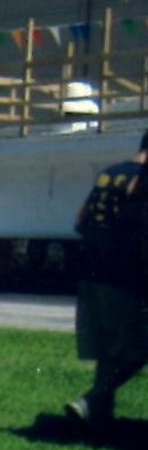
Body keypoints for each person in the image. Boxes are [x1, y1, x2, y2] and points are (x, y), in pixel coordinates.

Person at [66, 130, 148, 428]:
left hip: (91, 271)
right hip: (123, 274)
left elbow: (80, 221)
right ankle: (91, 399)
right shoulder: (141, 179)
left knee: (108, 349)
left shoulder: (108, 174)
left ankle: (99, 415)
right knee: (136, 349)